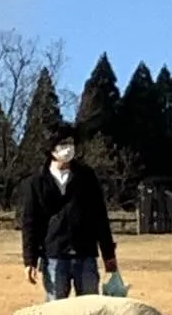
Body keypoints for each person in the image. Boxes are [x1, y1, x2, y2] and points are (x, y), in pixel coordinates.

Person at [20, 122, 117, 300]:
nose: (68, 149)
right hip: (54, 256)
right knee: (55, 312)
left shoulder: (87, 177)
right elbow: (30, 223)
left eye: (71, 143)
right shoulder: (36, 182)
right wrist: (30, 260)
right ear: (51, 149)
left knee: (90, 310)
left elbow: (100, 217)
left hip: (85, 254)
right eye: (63, 144)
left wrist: (108, 254)